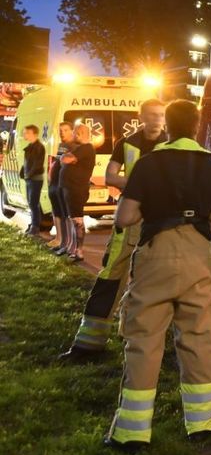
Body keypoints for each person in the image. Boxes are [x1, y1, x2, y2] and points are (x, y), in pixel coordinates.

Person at [104, 100, 211, 451]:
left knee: (144, 339)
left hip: (156, 255)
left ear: (169, 127)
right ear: (196, 127)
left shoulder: (149, 163)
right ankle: (203, 425)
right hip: (198, 256)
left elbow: (124, 218)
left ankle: (131, 433)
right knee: (200, 337)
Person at [59, 99, 167, 363]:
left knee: (158, 280)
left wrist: (135, 184)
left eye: (161, 115)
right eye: (151, 115)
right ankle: (88, 343)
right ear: (141, 116)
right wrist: (143, 184)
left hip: (161, 219)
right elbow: (110, 177)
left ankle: (150, 344)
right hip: (129, 217)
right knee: (110, 275)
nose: (156, 120)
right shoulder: (127, 143)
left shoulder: (172, 142)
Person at [59, 123, 95, 262]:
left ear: (79, 133)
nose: (72, 135)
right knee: (74, 219)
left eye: (74, 133)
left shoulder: (86, 148)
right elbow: (65, 160)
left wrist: (67, 157)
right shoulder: (81, 149)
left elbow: (65, 159)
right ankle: (75, 248)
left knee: (77, 219)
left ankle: (79, 250)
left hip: (76, 189)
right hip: (70, 187)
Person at [46, 121, 74, 251]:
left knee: (65, 214)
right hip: (55, 182)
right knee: (56, 211)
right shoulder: (62, 145)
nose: (62, 132)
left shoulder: (74, 146)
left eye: (66, 130)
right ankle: (59, 238)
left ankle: (66, 242)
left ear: (72, 131)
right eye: (60, 130)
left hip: (63, 183)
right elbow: (57, 163)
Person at [20, 125, 46, 237]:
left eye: (27, 133)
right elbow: (27, 162)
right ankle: (33, 224)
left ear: (34, 134)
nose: (24, 135)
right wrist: (23, 172)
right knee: (31, 202)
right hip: (30, 178)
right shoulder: (31, 146)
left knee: (33, 203)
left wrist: (29, 174)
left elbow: (37, 164)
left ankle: (35, 227)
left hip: (35, 179)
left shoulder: (39, 147)